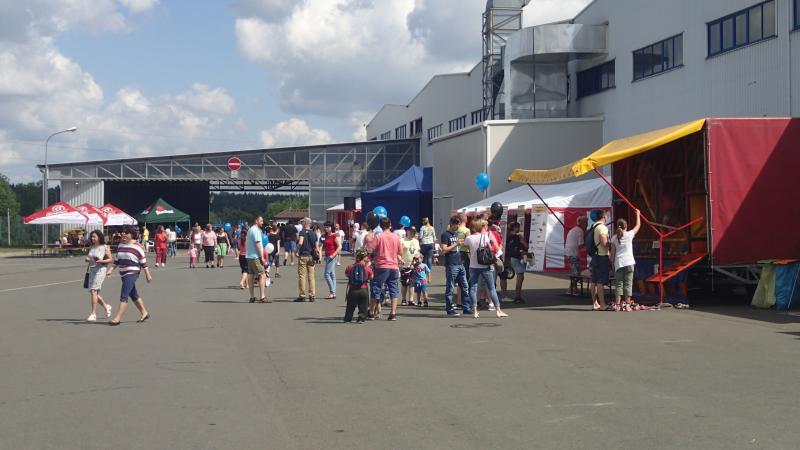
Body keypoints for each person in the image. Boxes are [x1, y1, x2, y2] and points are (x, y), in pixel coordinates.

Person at [106, 226, 151, 325]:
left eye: (126, 233)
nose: (123, 234)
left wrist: (147, 274)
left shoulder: (137, 246)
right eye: (123, 232)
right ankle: (144, 312)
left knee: (124, 294)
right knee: (133, 294)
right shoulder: (121, 245)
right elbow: (117, 260)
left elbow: (143, 262)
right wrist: (110, 269)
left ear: (132, 234)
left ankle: (117, 318)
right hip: (123, 273)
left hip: (133, 272)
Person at [465, 219, 507, 319]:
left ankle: (474, 311)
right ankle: (498, 310)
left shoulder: (469, 238)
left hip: (473, 266)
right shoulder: (485, 237)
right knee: (491, 288)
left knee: (473, 288)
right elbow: (491, 248)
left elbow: (466, 245)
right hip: (485, 266)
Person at [370, 217, 403, 321]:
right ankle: (393, 313)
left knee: (376, 288)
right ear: (390, 225)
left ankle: (371, 311)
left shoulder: (379, 237)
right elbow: (400, 252)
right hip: (393, 265)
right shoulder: (396, 237)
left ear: (380, 225)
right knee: (393, 289)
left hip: (381, 265)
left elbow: (370, 249)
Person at [610, 210, 641, 312]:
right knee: (628, 284)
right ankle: (627, 305)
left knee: (619, 284)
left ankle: (618, 305)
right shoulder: (629, 235)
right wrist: (638, 214)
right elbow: (638, 225)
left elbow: (613, 253)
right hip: (629, 262)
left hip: (619, 262)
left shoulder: (614, 238)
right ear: (626, 227)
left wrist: (612, 264)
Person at [84, 230, 113, 322]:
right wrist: (87, 259)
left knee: (93, 291)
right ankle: (106, 306)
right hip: (92, 270)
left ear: (99, 237)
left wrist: (102, 261)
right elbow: (89, 257)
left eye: (94, 237)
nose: (92, 238)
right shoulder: (92, 247)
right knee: (94, 292)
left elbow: (110, 259)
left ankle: (93, 314)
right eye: (92, 237)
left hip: (101, 270)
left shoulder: (105, 247)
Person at [440, 216, 466, 316]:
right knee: (450, 287)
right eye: (457, 224)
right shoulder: (445, 235)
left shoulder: (455, 234)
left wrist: (461, 244)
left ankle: (466, 307)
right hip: (451, 264)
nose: (458, 227)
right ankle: (450, 309)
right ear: (452, 223)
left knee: (465, 286)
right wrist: (456, 244)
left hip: (459, 262)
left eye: (459, 224)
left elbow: (456, 246)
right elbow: (444, 249)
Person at [499, 222, 528, 304]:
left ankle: (504, 295)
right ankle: (517, 296)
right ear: (515, 228)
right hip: (516, 257)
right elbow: (526, 246)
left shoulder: (505, 236)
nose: (519, 229)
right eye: (518, 227)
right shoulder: (518, 237)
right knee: (520, 276)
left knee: (503, 276)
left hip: (506, 257)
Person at [589, 210, 611, 311]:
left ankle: (595, 303)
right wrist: (612, 244)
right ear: (604, 217)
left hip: (595, 256)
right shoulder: (602, 227)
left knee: (594, 280)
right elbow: (604, 243)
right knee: (600, 282)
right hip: (602, 256)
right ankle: (602, 304)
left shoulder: (593, 226)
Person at [344, 249, 373, 323]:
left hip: (352, 289)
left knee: (350, 305)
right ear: (364, 258)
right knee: (363, 305)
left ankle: (348, 318)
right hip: (363, 288)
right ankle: (361, 318)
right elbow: (371, 277)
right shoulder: (367, 268)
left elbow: (347, 274)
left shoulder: (350, 267)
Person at [245, 216, 269, 303]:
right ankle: (262, 297)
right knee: (262, 274)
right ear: (256, 221)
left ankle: (252, 297)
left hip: (249, 256)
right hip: (255, 256)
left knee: (251, 275)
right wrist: (262, 257)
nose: (262, 222)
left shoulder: (250, 230)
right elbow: (258, 244)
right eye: (261, 221)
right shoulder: (256, 230)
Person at [295, 218, 319, 302]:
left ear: (306, 223)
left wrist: (296, 250)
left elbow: (300, 242)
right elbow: (316, 247)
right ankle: (312, 295)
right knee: (311, 277)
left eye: (302, 222)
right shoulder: (314, 233)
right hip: (311, 256)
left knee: (302, 276)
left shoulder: (302, 232)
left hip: (303, 255)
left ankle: (302, 295)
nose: (301, 224)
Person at [565, 216, 588, 295]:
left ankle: (571, 288)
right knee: (576, 273)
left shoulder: (574, 229)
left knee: (576, 272)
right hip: (573, 253)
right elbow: (580, 244)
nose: (587, 225)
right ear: (583, 223)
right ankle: (572, 289)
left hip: (570, 253)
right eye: (586, 223)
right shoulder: (580, 231)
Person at [399, 227, 420, 306]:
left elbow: (417, 252)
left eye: (414, 232)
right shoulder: (402, 240)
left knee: (412, 283)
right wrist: (400, 260)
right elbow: (398, 252)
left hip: (413, 265)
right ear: (407, 231)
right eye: (411, 232)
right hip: (404, 265)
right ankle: (404, 299)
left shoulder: (416, 241)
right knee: (404, 283)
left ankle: (411, 300)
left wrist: (416, 260)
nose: (413, 234)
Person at [322, 222, 341, 299]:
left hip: (332, 256)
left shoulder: (334, 235)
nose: (326, 228)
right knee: (332, 274)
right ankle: (333, 293)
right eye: (325, 227)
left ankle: (332, 292)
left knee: (326, 274)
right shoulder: (326, 236)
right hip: (327, 256)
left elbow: (339, 247)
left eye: (328, 227)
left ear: (331, 227)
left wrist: (333, 255)